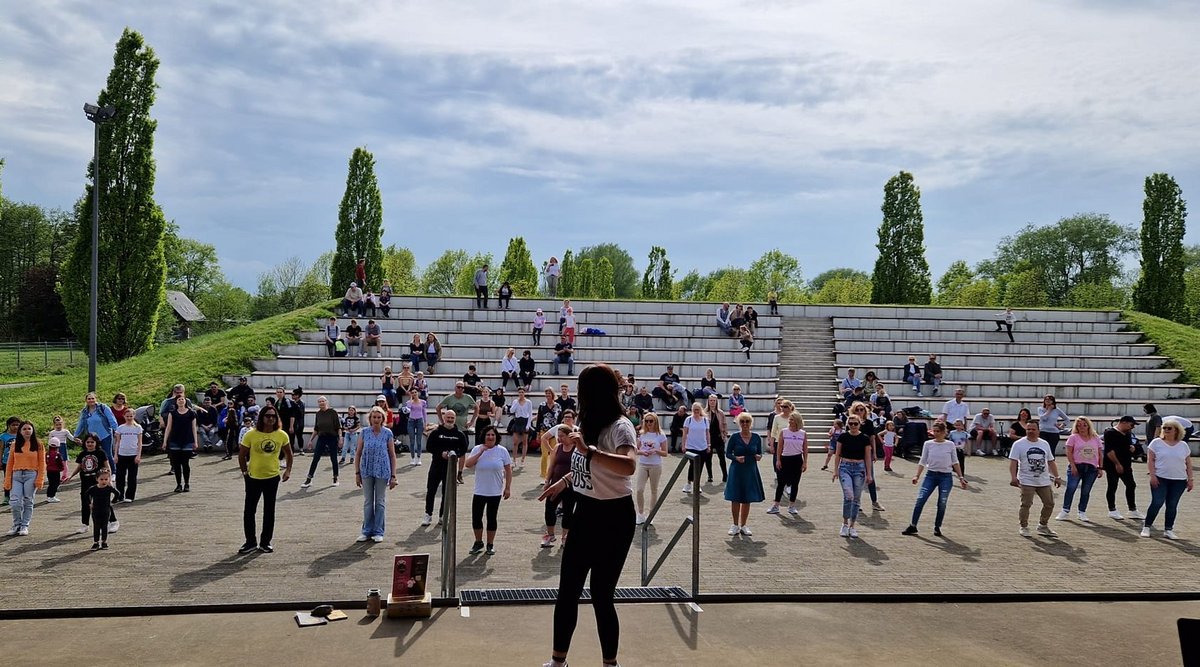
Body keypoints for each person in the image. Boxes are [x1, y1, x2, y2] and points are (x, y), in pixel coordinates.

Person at [537, 365, 638, 667]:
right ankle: (558, 661)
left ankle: (610, 663)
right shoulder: (586, 421)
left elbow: (629, 466)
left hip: (615, 516)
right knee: (567, 589)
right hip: (587, 511)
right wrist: (565, 481)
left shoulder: (621, 427)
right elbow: (586, 466)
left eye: (583, 390)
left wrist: (591, 450)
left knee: (601, 594)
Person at [238, 405, 293, 554]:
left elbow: (289, 453)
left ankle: (265, 542)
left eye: (273, 416)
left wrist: (288, 470)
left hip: (272, 477)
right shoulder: (251, 434)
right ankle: (250, 541)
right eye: (268, 415)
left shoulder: (281, 435)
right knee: (249, 511)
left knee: (269, 510)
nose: (270, 418)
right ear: (261, 417)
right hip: (253, 477)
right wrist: (245, 473)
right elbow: (242, 455)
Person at [901, 421, 968, 537]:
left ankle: (937, 526)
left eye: (938, 431)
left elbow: (955, 462)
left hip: (946, 476)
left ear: (944, 432)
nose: (935, 434)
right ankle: (913, 525)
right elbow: (923, 460)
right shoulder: (928, 444)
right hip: (930, 475)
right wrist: (917, 475)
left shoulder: (950, 445)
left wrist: (961, 477)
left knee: (942, 502)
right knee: (920, 499)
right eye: (934, 431)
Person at [1141, 418, 1194, 539]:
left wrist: (1190, 479)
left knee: (1172, 504)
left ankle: (1168, 529)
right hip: (1161, 478)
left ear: (1176, 430)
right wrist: (1152, 475)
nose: (1165, 430)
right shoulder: (1156, 443)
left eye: (1169, 428)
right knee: (1157, 502)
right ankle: (1147, 526)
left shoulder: (1183, 445)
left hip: (1179, 480)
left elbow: (1188, 463)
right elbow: (1150, 460)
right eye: (1164, 428)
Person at [1009, 421, 1063, 537]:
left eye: (1033, 429)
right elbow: (1013, 462)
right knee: (1026, 504)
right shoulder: (1018, 444)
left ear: (1038, 431)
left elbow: (1050, 461)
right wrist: (1013, 477)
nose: (1030, 432)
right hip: (1026, 479)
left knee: (1049, 503)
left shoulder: (1044, 444)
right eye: (1028, 429)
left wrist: (1057, 476)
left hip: (1043, 479)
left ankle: (1043, 525)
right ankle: (1024, 526)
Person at [464, 425, 512, 556]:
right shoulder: (476, 449)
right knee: (476, 518)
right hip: (480, 491)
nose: (490, 437)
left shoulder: (502, 451)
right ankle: (478, 542)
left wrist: (507, 488)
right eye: (488, 435)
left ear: (496, 437)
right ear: (484, 437)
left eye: (493, 435)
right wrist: (480, 452)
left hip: (495, 492)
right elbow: (468, 465)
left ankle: (490, 544)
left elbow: (508, 470)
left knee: (491, 518)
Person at [355, 406, 398, 543]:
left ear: (382, 419)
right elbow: (358, 452)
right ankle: (366, 530)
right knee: (368, 502)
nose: (376, 420)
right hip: (366, 469)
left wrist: (393, 475)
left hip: (382, 470)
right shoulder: (364, 433)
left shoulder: (387, 433)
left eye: (379, 417)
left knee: (380, 502)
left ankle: (378, 530)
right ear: (370, 418)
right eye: (374, 417)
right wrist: (357, 473)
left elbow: (392, 455)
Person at [422, 410, 469, 526]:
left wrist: (454, 454)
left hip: (450, 467)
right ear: (444, 418)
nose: (450, 420)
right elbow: (429, 447)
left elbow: (463, 449)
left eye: (452, 418)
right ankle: (428, 514)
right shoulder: (436, 433)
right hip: (436, 466)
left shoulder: (459, 434)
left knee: (446, 492)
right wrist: (440, 453)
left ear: (455, 419)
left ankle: (443, 515)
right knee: (431, 491)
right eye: (448, 417)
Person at [723, 411, 765, 536]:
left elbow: (759, 452)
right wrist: (736, 458)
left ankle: (744, 525)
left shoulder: (756, 437)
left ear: (751, 423)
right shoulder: (735, 437)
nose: (745, 424)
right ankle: (735, 524)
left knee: (747, 498)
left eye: (747, 421)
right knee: (735, 497)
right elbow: (728, 453)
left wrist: (759, 456)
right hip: (737, 469)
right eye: (742, 421)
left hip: (750, 470)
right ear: (739, 423)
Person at [1054, 416, 1104, 523]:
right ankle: (1065, 510)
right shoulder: (1073, 437)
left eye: (1084, 425)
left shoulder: (1096, 438)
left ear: (1088, 426)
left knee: (1086, 490)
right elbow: (1068, 452)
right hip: (1077, 465)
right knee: (1071, 487)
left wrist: (1100, 467)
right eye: (1079, 425)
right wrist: (1072, 465)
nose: (1082, 427)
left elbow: (1100, 453)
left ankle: (1082, 511)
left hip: (1091, 468)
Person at [832, 415, 873, 538]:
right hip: (845, 467)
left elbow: (867, 457)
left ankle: (852, 525)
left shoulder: (864, 438)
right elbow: (837, 454)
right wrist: (835, 470)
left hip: (859, 468)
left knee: (856, 498)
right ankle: (845, 523)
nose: (853, 426)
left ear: (859, 424)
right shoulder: (843, 437)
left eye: (856, 423)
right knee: (848, 495)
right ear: (847, 425)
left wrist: (869, 474)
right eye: (851, 424)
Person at [66, 434, 114, 536]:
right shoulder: (82, 454)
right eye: (88, 442)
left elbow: (107, 466)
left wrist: (109, 479)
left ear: (96, 443)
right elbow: (79, 467)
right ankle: (85, 524)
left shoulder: (101, 453)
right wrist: (71, 476)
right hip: (85, 481)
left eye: (92, 442)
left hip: (98, 482)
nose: (90, 444)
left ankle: (113, 521)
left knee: (103, 503)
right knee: (85, 502)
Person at [4, 422, 45, 536]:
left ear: (32, 430)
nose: (27, 431)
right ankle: (16, 524)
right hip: (16, 475)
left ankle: (24, 525)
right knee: (15, 501)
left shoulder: (38, 444)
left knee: (28, 500)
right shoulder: (15, 444)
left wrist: (40, 479)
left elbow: (42, 463)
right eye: (24, 429)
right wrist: (7, 480)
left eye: (29, 428)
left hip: (31, 474)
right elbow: (9, 463)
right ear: (20, 431)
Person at [542, 421, 577, 547]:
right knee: (549, 509)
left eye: (562, 436)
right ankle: (550, 535)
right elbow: (552, 466)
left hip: (570, 485)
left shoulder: (576, 447)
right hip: (555, 482)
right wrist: (547, 481)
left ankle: (565, 536)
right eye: (558, 436)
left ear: (569, 435)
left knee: (568, 511)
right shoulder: (557, 447)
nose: (559, 438)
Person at [1103, 416, 1143, 520]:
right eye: (1131, 425)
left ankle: (1132, 509)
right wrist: (1117, 463)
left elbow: (1129, 446)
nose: (1132, 427)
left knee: (1131, 485)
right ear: (1124, 422)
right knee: (1112, 485)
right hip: (1112, 464)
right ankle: (1112, 509)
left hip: (1126, 464)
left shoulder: (1128, 433)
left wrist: (1133, 449)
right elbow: (1109, 451)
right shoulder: (1110, 433)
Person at [767, 412, 807, 516]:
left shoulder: (803, 433)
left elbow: (805, 448)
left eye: (792, 419)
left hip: (797, 459)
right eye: (789, 419)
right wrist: (778, 460)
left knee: (795, 483)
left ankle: (792, 505)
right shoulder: (784, 432)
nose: (790, 421)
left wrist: (805, 462)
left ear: (797, 421)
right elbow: (779, 447)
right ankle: (776, 505)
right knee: (781, 483)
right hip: (785, 459)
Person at [634, 412, 669, 524]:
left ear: (655, 422)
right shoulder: (642, 434)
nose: (649, 423)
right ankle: (640, 513)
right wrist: (642, 452)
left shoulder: (661, 435)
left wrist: (656, 450)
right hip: (643, 464)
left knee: (654, 490)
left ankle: (651, 514)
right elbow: (635, 449)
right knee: (639, 489)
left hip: (655, 465)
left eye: (651, 421)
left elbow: (665, 453)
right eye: (647, 421)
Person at [302, 396, 341, 488]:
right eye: (319, 402)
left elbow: (338, 427)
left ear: (326, 402)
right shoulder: (318, 414)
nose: (321, 403)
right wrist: (310, 440)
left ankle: (335, 477)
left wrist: (340, 438)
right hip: (322, 437)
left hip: (332, 437)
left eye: (323, 401)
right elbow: (316, 428)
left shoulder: (333, 412)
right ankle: (309, 478)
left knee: (334, 459)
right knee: (315, 458)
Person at [75, 392, 119, 473]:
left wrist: (116, 430)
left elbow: (111, 419)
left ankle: (113, 472)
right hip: (92, 437)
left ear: (96, 399)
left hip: (105, 434)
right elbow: (80, 423)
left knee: (107, 455)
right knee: (95, 455)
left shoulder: (103, 408)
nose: (91, 400)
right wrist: (76, 435)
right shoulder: (84, 412)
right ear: (86, 400)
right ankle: (98, 472)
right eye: (89, 399)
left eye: (93, 398)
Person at [163, 396, 199, 493]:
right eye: (179, 399)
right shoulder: (173, 413)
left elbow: (194, 428)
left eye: (182, 399)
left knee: (185, 463)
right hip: (175, 440)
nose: (181, 401)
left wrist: (195, 441)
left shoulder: (191, 413)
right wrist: (165, 441)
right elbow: (168, 427)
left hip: (187, 440)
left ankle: (187, 483)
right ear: (176, 402)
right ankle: (178, 484)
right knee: (176, 464)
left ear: (185, 401)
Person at [85, 470, 121, 550]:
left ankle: (104, 542)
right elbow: (86, 495)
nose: (104, 481)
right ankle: (96, 542)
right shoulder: (93, 488)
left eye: (106, 479)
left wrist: (113, 501)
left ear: (109, 479)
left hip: (106, 510)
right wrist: (89, 503)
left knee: (105, 526)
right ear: (97, 479)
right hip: (96, 510)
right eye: (101, 479)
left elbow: (117, 493)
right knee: (96, 526)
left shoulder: (109, 488)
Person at [680, 401, 711, 494]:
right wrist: (683, 445)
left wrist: (709, 445)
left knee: (700, 466)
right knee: (692, 465)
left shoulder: (705, 420)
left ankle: (697, 484)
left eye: (698, 410)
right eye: (694, 410)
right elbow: (685, 433)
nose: (696, 411)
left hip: (703, 446)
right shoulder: (688, 420)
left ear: (700, 410)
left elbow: (707, 433)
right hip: (691, 446)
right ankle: (689, 483)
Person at [113, 410, 144, 502]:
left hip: (133, 454)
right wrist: (115, 455)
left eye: (131, 416)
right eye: (127, 416)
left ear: (134, 416)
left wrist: (138, 456)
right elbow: (117, 442)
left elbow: (140, 443)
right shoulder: (120, 428)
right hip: (122, 454)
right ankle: (119, 495)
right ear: (124, 416)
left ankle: (130, 496)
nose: (129, 418)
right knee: (120, 476)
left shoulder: (138, 428)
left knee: (132, 477)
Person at [706, 395, 729, 484]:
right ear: (708, 401)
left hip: (719, 437)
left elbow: (724, 424)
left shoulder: (720, 413)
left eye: (714, 400)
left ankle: (725, 475)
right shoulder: (704, 412)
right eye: (711, 400)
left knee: (722, 458)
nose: (712, 402)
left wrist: (725, 435)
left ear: (716, 402)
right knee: (708, 458)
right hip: (709, 438)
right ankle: (710, 475)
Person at [510, 387, 534, 467]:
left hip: (525, 421)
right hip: (517, 421)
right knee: (515, 442)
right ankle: (514, 460)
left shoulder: (528, 402)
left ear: (524, 393)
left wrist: (528, 425)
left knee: (524, 442)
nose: (521, 394)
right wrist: (516, 403)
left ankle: (522, 460)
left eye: (522, 392)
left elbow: (530, 414)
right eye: (519, 392)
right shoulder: (515, 401)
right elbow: (511, 411)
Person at [404, 390, 428, 466]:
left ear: (418, 393)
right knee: (412, 440)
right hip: (411, 421)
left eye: (415, 392)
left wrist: (425, 422)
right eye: (412, 393)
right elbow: (407, 410)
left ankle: (419, 457)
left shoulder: (423, 402)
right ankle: (412, 458)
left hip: (419, 420)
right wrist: (411, 401)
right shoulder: (409, 402)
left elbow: (424, 412)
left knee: (418, 440)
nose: (414, 394)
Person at [44, 436, 66, 503]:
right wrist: (62, 468)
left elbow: (46, 461)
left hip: (49, 471)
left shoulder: (47, 453)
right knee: (55, 484)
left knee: (51, 484)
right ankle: (52, 496)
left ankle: (49, 496)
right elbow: (60, 463)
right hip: (56, 471)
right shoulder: (58, 454)